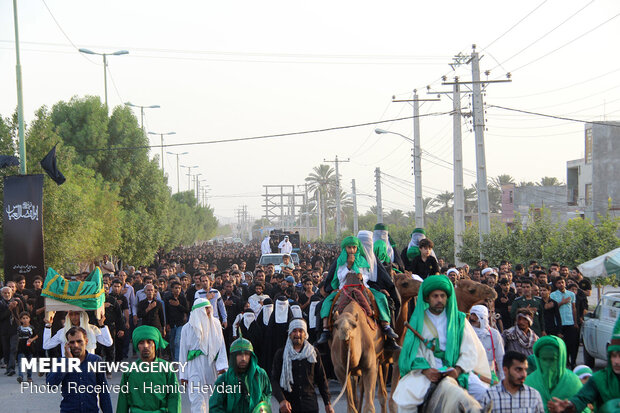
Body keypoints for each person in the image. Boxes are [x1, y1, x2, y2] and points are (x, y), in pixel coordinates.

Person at [393, 275, 492, 411]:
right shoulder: (417, 323)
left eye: (442, 296)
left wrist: (457, 370)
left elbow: (469, 351)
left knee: (486, 395)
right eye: (435, 296)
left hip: (457, 370)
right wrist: (426, 370)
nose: (439, 300)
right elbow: (412, 352)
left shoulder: (459, 320)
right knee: (407, 402)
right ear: (427, 298)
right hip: (427, 373)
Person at [316, 236, 398, 347]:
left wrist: (362, 277)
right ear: (345, 248)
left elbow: (366, 275)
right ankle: (325, 330)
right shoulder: (340, 261)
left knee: (381, 298)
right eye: (349, 248)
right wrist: (349, 266)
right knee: (326, 302)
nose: (352, 250)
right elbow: (339, 276)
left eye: (354, 247)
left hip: (362, 287)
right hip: (344, 287)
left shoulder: (362, 260)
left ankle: (386, 326)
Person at [548, 313, 620, 412]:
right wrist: (569, 406)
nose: (616, 362)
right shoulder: (600, 379)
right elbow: (581, 398)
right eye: (613, 356)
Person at [271, 319, 334, 413]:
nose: (297, 334)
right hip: (289, 408)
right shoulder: (281, 354)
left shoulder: (313, 353)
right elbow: (274, 380)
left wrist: (327, 403)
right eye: (294, 331)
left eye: (301, 331)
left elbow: (321, 379)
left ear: (305, 334)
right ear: (289, 334)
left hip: (310, 406)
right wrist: (282, 400)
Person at [46, 326, 113, 413]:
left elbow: (104, 392)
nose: (76, 345)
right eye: (72, 342)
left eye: (79, 341)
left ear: (86, 341)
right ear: (68, 345)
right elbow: (50, 384)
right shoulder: (61, 362)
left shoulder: (95, 360)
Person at [117, 325, 181, 413]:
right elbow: (122, 400)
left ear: (155, 344)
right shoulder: (130, 370)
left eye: (149, 342)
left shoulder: (166, 368)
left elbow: (174, 397)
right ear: (137, 346)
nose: (145, 346)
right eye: (141, 342)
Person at [179, 299, 228, 413]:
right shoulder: (187, 328)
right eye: (205, 309)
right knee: (197, 399)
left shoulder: (215, 324)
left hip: (212, 365)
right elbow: (182, 352)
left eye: (209, 308)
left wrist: (222, 366)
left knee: (213, 397)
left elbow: (221, 346)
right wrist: (183, 374)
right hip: (194, 366)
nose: (208, 311)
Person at [209, 336, 272, 413]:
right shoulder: (224, 380)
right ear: (233, 357)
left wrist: (261, 405)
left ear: (251, 356)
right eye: (239, 354)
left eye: (246, 354)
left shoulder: (260, 374)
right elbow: (215, 407)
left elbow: (268, 392)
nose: (243, 358)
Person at [524, 335, 584, 411]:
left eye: (553, 359)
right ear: (538, 360)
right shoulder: (529, 384)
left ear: (561, 359)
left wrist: (567, 409)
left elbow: (584, 409)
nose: (548, 364)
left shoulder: (573, 382)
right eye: (544, 359)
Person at [480, 351, 545, 412]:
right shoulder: (489, 395)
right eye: (518, 370)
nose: (524, 374)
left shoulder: (533, 395)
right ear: (505, 370)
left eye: (525, 370)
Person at [44, 310, 113, 357]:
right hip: (69, 368)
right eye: (71, 314)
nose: (74, 317)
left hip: (88, 367)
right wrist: (48, 326)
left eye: (76, 314)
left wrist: (102, 325)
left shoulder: (92, 329)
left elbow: (108, 343)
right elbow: (46, 345)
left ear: (82, 315)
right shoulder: (63, 331)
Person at [469, 305, 505, 383]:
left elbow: (500, 358)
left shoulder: (494, 334)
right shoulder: (467, 332)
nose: (472, 318)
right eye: (471, 315)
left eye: (475, 316)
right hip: (472, 374)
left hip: (489, 374)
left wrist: (503, 380)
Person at [550, 277, 579, 369]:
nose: (561, 284)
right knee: (562, 344)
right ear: (556, 285)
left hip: (570, 322)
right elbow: (553, 308)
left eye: (562, 282)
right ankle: (565, 361)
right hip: (560, 323)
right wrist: (562, 302)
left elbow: (574, 308)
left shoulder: (571, 294)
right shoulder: (553, 295)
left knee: (572, 343)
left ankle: (573, 362)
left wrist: (575, 322)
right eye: (559, 283)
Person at [16, 311, 37, 383]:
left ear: (29, 319)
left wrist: (32, 339)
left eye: (26, 318)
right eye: (23, 318)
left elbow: (36, 335)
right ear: (21, 320)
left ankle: (29, 376)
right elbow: (17, 336)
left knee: (29, 362)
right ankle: (20, 376)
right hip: (21, 347)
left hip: (29, 347)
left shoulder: (31, 328)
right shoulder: (19, 328)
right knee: (20, 362)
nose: (25, 320)